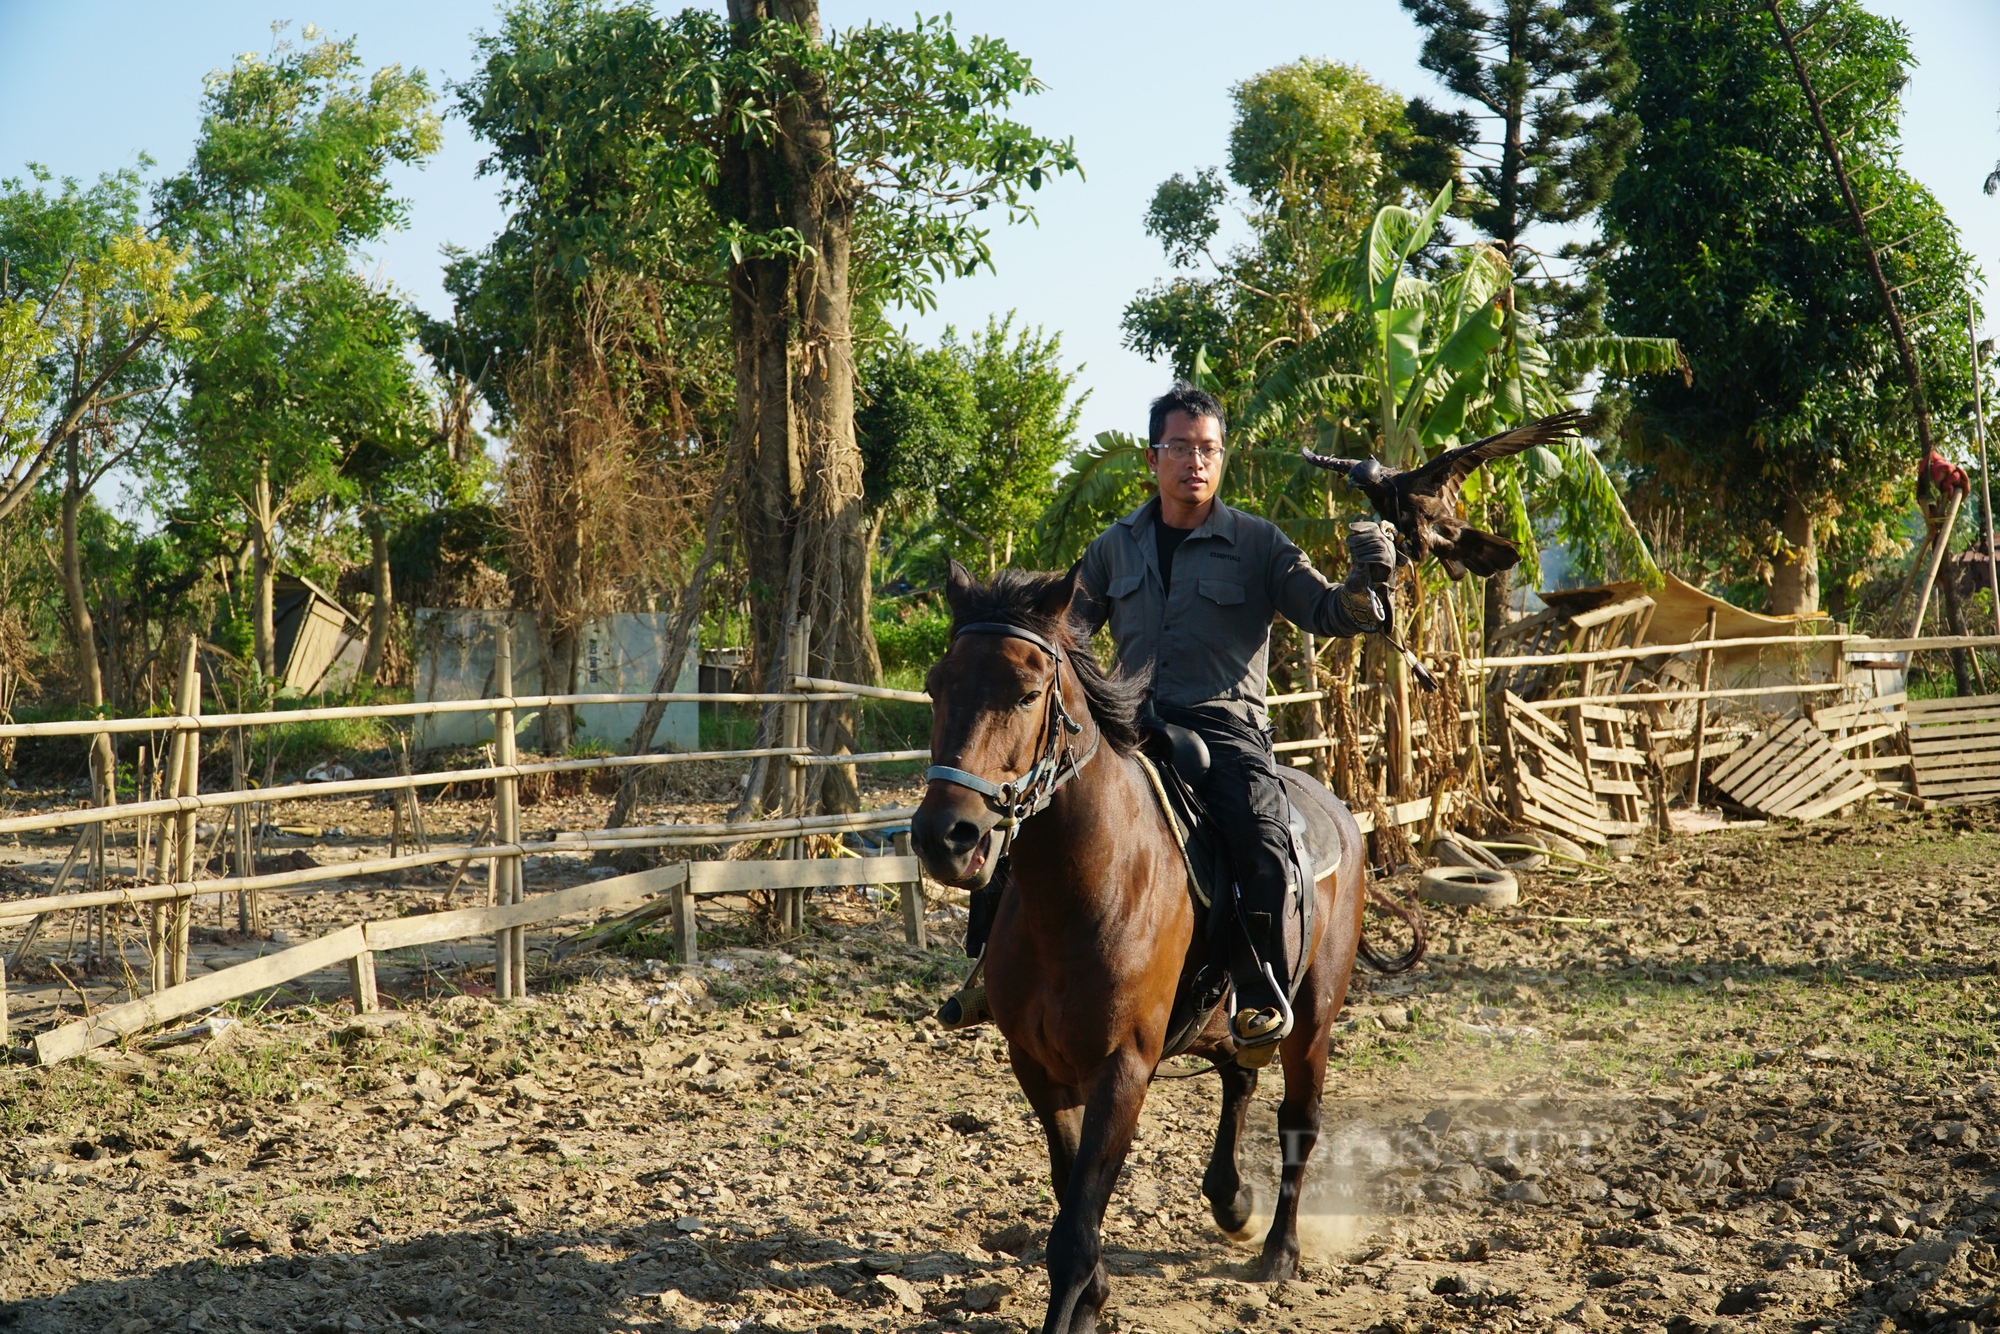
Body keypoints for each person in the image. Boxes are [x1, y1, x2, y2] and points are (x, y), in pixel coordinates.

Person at [939, 381, 1394, 1058]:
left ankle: (1260, 989)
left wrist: (1368, 586)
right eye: (1180, 447)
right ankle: (988, 973)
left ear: (1221, 458)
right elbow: (1070, 638)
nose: (1196, 462)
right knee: (1022, 825)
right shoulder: (1113, 548)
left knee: (1264, 841)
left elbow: (1329, 613)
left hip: (1226, 732)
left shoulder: (1258, 544)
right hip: (1131, 728)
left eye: (1208, 448)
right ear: (1153, 459)